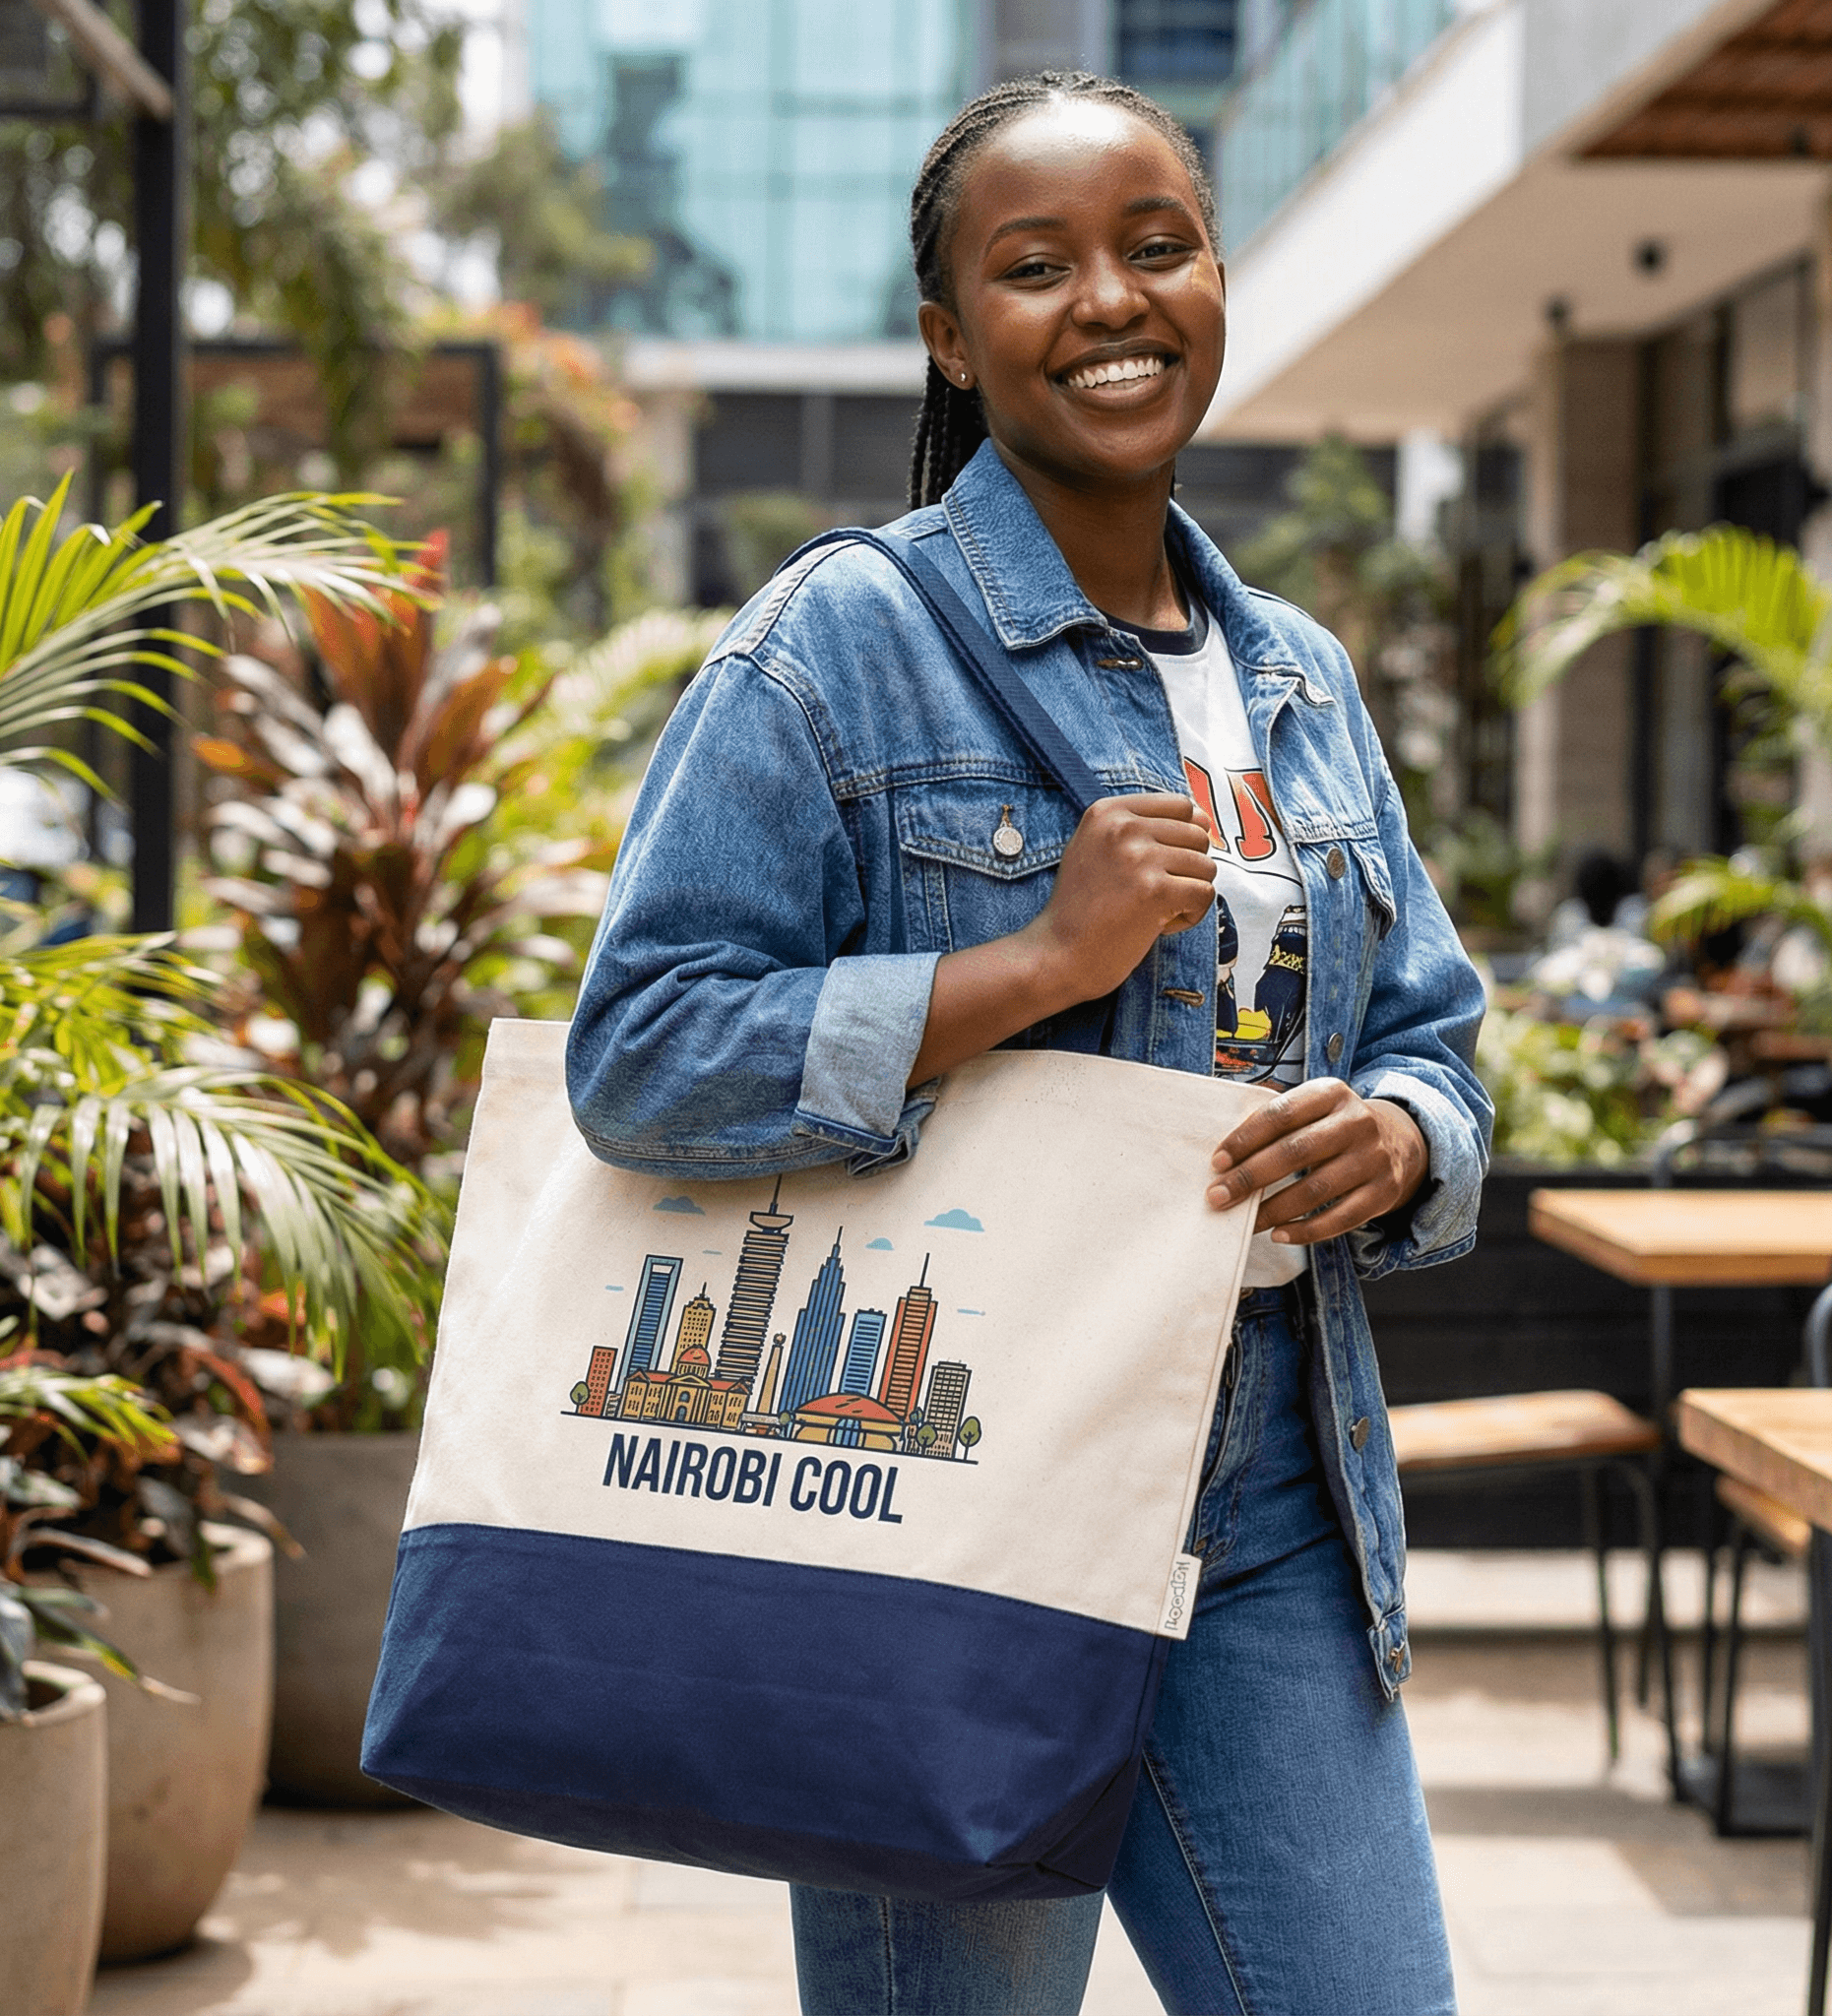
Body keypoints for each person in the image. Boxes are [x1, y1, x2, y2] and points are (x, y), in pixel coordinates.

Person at [567, 70, 1490, 2016]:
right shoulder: (839, 642)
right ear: (950, 337)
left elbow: (1434, 1033)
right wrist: (1027, 963)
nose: (1110, 298)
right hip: (951, 1487)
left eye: (1156, 247)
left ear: (1217, 281)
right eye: (1037, 264)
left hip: (1268, 1486)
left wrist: (1402, 1136)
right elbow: (640, 1052)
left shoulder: (1296, 676)